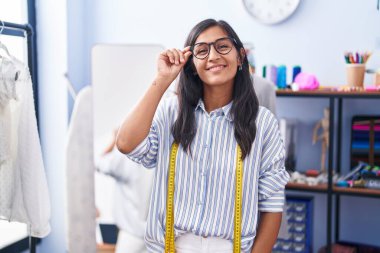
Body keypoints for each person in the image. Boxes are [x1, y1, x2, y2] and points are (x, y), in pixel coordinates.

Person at [116, 19, 290, 253]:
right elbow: (126, 143)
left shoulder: (263, 123)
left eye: (222, 47)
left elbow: (272, 205)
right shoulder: (171, 113)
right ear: (191, 65)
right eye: (202, 50)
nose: (213, 56)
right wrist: (162, 79)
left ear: (240, 57)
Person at [96, 129, 153, 253]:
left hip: (131, 236)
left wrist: (114, 140)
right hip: (157, 237)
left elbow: (98, 162)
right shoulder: (160, 154)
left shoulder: (126, 157)